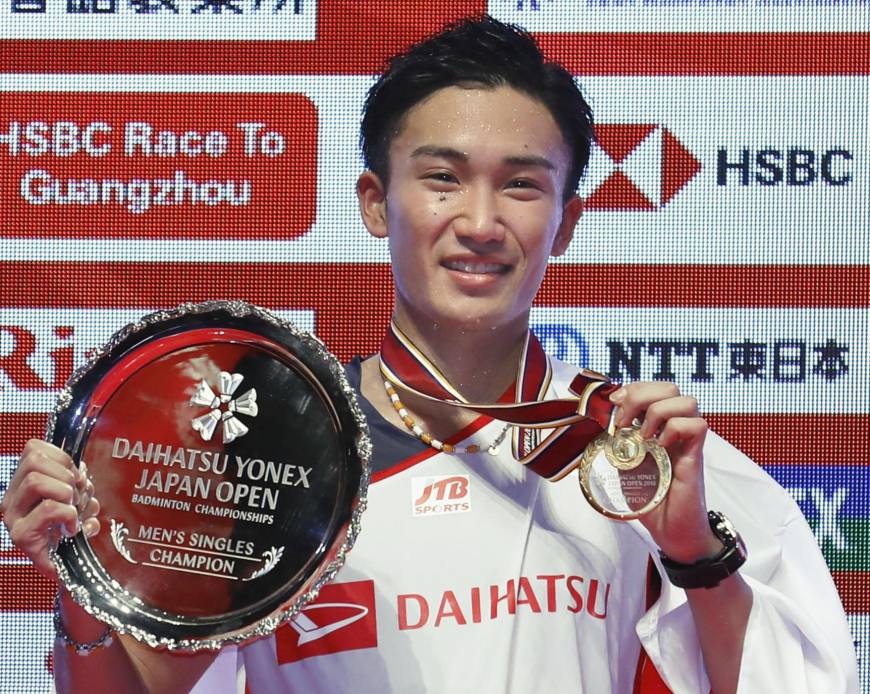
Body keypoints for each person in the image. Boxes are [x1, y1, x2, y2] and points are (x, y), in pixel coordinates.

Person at [0, 16, 858, 694]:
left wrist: (693, 555)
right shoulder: (278, 457)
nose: (481, 223)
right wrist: (85, 588)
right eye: (442, 178)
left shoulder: (633, 455)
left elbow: (782, 680)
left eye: (522, 184)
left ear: (567, 220)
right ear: (377, 202)